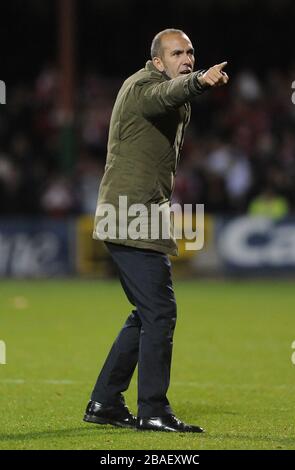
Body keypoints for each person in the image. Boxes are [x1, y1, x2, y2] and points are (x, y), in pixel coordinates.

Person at [83, 28, 229, 433]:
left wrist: (191, 83)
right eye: (177, 53)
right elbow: (165, 96)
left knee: (146, 314)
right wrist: (198, 81)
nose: (186, 58)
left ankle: (106, 402)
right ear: (158, 61)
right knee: (161, 312)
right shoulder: (145, 86)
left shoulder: (163, 86)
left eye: (191, 53)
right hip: (132, 215)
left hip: (136, 212)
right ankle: (152, 410)